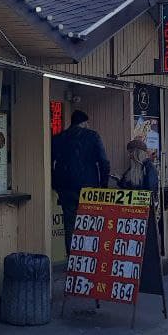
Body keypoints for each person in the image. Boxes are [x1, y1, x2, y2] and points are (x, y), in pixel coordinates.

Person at [51, 109, 110, 254]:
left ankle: (72, 260)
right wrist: (104, 185)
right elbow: (104, 162)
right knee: (89, 224)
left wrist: (56, 184)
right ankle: (87, 259)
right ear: (84, 122)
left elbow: (50, 162)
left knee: (70, 225)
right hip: (89, 188)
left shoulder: (59, 138)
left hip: (66, 189)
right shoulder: (93, 136)